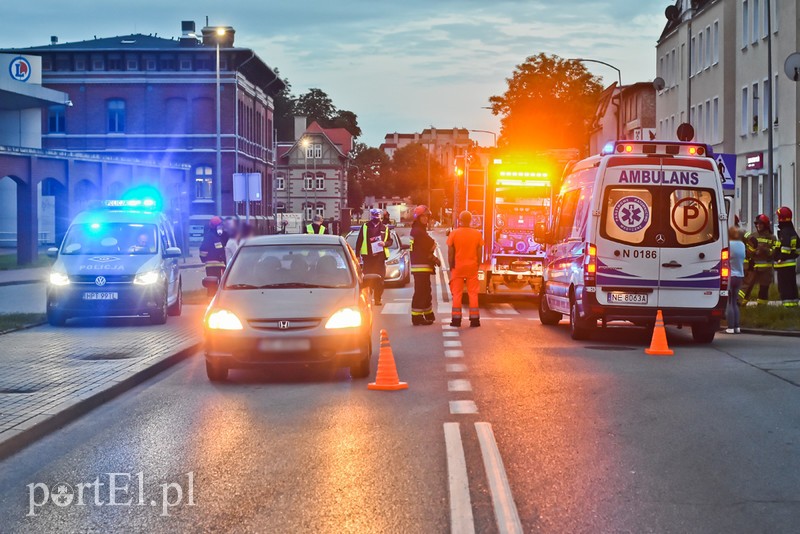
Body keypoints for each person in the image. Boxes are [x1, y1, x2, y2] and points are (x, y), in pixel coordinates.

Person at [447, 210, 484, 327]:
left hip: (458, 267)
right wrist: (477, 266)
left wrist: (450, 266)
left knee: (457, 294)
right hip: (472, 267)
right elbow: (480, 252)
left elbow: (450, 253)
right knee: (473, 293)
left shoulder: (454, 233)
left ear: (460, 220)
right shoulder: (477, 234)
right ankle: (474, 320)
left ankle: (456, 320)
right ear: (471, 220)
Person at [355, 208, 392, 305]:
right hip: (368, 258)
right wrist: (357, 255)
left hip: (380, 258)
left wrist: (384, 243)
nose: (377, 218)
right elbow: (359, 241)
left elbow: (390, 241)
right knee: (367, 280)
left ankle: (377, 299)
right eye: (375, 216)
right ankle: (367, 298)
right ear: (371, 216)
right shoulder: (365, 227)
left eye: (378, 216)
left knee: (380, 280)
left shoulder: (385, 228)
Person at [409, 205, 439, 325]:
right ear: (418, 218)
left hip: (422, 266)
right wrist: (433, 257)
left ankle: (427, 313)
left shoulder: (418, 230)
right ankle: (417, 317)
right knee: (421, 292)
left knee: (426, 291)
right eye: (424, 216)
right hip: (420, 266)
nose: (426, 218)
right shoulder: (418, 231)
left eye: (427, 216)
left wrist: (432, 258)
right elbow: (431, 244)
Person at [740, 214, 778, 305]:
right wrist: (752, 251)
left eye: (760, 224)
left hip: (766, 269)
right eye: (757, 224)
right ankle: (741, 303)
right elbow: (746, 250)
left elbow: (774, 252)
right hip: (752, 267)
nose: (758, 226)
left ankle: (762, 307)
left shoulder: (772, 237)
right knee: (746, 288)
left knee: (764, 289)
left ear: (766, 225)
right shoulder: (753, 236)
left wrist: (764, 250)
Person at [774, 206, 799, 308]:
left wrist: (781, 258)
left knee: (784, 287)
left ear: (781, 218)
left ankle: (787, 306)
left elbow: (785, 248)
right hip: (791, 264)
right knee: (792, 285)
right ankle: (793, 304)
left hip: (783, 265)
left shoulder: (784, 232)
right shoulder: (792, 231)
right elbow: (797, 249)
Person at [199, 216, 227, 296]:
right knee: (217, 284)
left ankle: (212, 299)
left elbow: (203, 250)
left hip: (211, 265)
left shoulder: (211, 236)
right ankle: (214, 300)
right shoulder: (215, 236)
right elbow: (204, 249)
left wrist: (203, 258)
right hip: (219, 265)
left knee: (212, 285)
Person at [726, 226, 746, 334]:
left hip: (730, 276)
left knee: (729, 302)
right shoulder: (742, 245)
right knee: (735, 302)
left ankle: (730, 327)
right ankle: (737, 326)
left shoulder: (729, 245)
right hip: (740, 275)